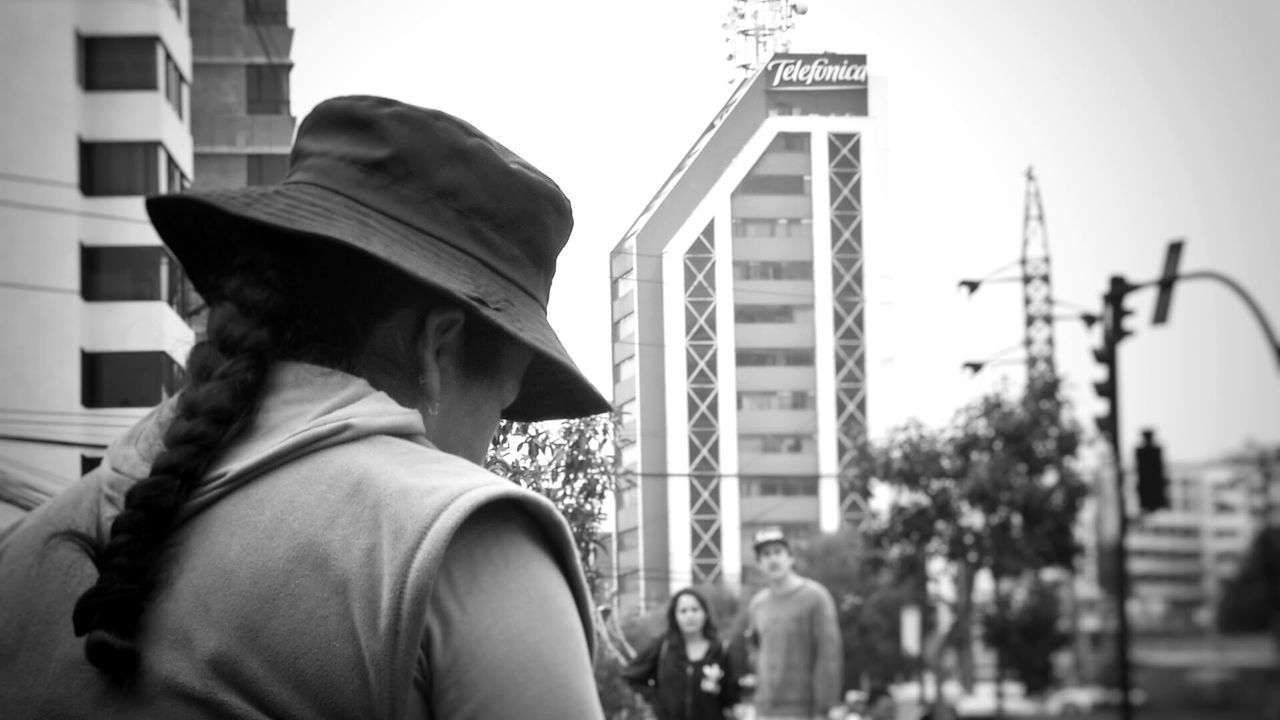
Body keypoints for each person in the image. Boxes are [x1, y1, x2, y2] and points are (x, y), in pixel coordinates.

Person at [0, 95, 611, 719]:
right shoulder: (471, 549)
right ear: (438, 348)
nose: (489, 456)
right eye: (501, 409)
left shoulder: (23, 554)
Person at [745, 526, 844, 720]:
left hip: (805, 710)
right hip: (765, 710)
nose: (772, 559)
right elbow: (754, 650)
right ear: (759, 563)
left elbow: (828, 655)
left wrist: (825, 708)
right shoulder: (757, 604)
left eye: (777, 552)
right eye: (765, 554)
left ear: (791, 558)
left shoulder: (816, 597)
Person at [622, 588, 741, 720]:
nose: (690, 616)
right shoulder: (663, 647)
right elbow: (632, 675)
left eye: (695, 610)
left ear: (705, 613)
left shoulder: (721, 650)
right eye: (683, 611)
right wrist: (655, 702)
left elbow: (731, 698)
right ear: (675, 616)